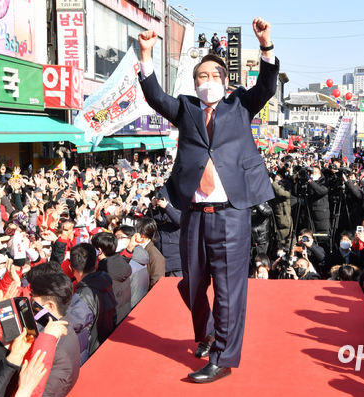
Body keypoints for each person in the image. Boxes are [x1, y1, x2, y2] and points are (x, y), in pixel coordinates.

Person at [138, 17, 278, 383]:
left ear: (225, 81)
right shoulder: (185, 109)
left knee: (229, 288)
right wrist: (146, 54)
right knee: (192, 282)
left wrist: (265, 44)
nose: (207, 82)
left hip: (231, 212)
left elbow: (266, 84)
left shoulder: (240, 106)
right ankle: (208, 334)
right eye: (201, 77)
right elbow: (154, 95)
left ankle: (223, 357)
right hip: (195, 212)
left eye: (213, 76)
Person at [70, 243, 117, 357]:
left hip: (92, 350)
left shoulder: (82, 296)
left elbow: (80, 332)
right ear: (96, 264)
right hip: (106, 340)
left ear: (72, 268)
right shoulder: (105, 280)